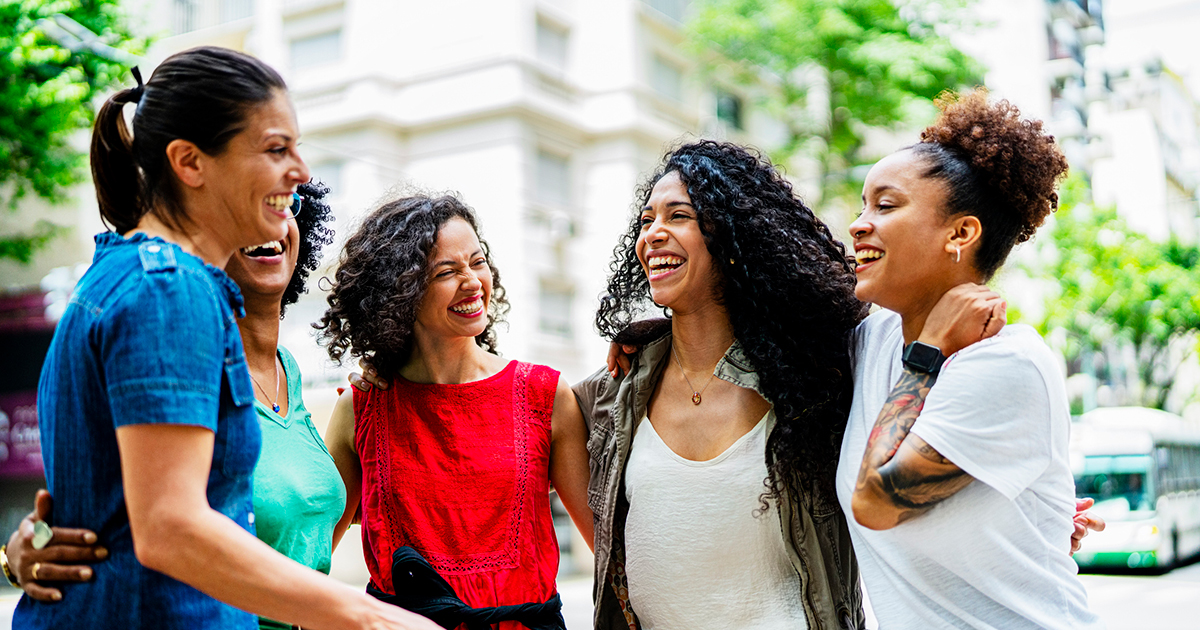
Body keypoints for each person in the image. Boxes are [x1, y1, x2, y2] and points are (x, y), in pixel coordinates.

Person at [7, 47, 435, 630]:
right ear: (189, 162)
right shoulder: (168, 289)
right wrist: (375, 619)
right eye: (276, 149)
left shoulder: (124, 274)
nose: (301, 172)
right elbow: (171, 528)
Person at [5, 180, 353, 630]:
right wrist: (18, 556)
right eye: (247, 203)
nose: (271, 221)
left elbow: (304, 530)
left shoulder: (289, 371)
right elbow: (139, 520)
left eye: (286, 205)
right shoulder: (175, 359)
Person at [575, 140, 878, 630]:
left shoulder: (814, 379)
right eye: (647, 220)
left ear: (734, 238)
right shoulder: (612, 393)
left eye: (678, 216)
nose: (653, 234)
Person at [841, 90, 1103, 628]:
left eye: (885, 206)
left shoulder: (1007, 364)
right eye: (863, 205)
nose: (859, 224)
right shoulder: (872, 339)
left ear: (960, 233)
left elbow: (875, 503)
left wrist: (928, 352)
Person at [316, 194, 593, 629]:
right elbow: (311, 548)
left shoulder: (547, 394)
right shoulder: (362, 405)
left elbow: (610, 546)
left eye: (477, 262)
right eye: (447, 271)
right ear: (401, 291)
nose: (472, 282)